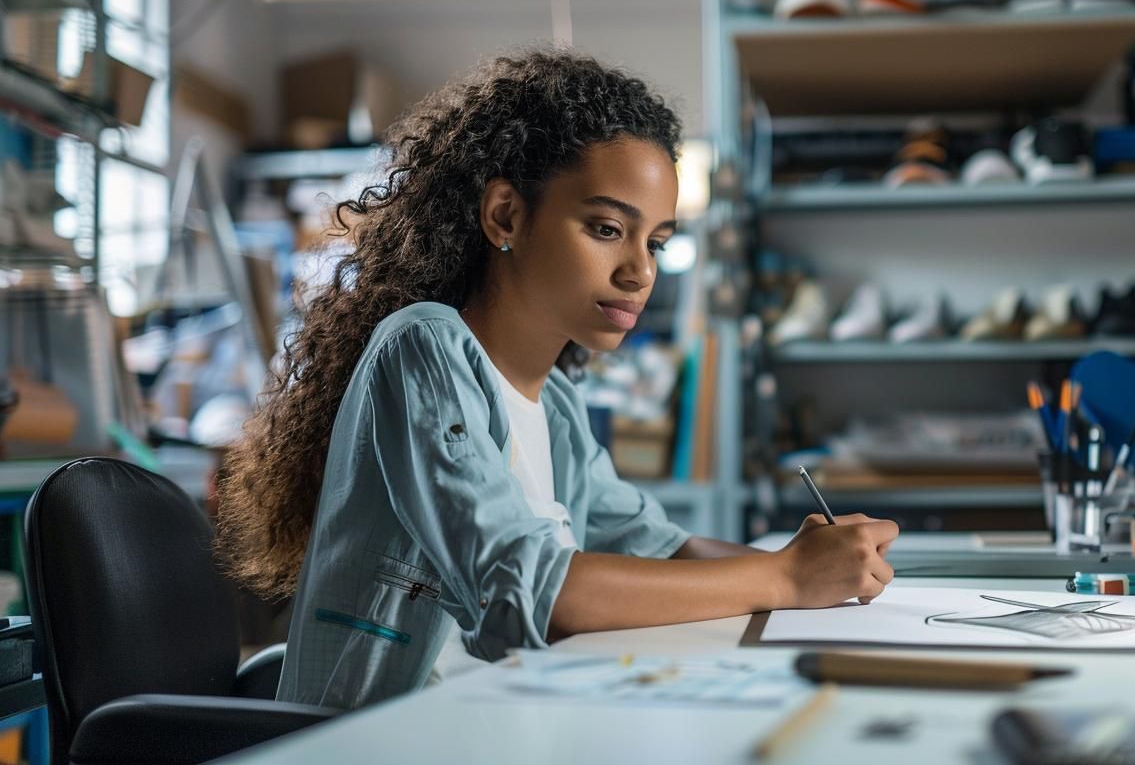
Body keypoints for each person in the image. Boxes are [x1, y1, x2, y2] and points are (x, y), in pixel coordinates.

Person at [216, 49, 899, 710]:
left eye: (655, 242)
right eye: (606, 228)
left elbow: (662, 548)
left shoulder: (558, 408)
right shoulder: (423, 347)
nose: (640, 272)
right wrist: (785, 576)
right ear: (506, 216)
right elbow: (531, 598)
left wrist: (819, 560)